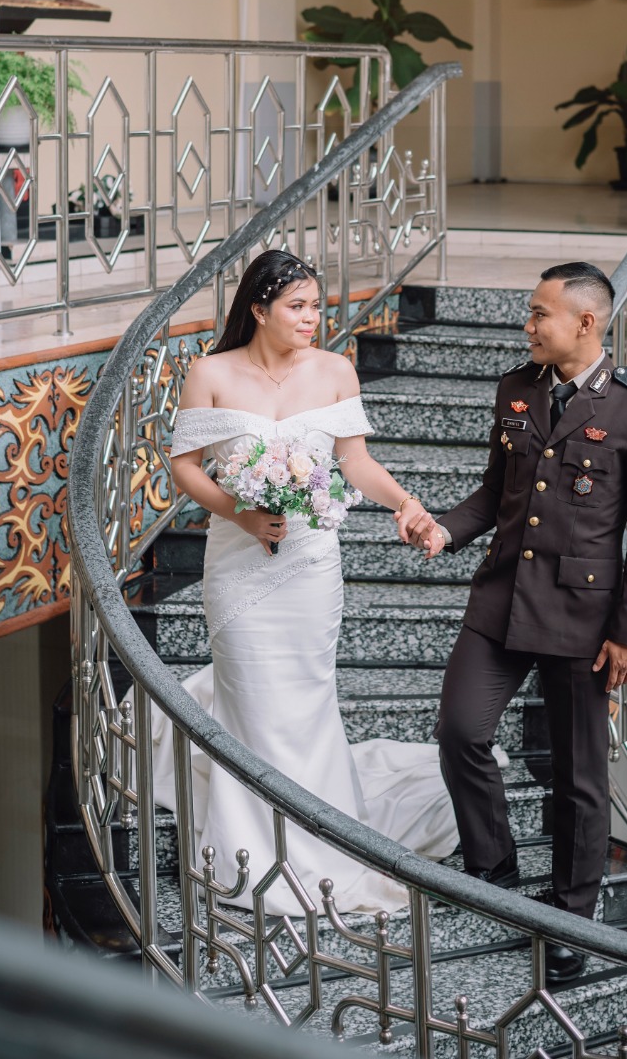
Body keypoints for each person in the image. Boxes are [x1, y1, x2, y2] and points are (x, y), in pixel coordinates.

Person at [155, 249, 464, 916]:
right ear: (259, 309)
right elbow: (185, 467)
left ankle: (323, 839)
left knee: (307, 697)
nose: (311, 318)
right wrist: (240, 511)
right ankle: (248, 850)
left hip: (310, 566)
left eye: (316, 306)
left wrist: (406, 503)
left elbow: (355, 463)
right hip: (238, 565)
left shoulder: (335, 371)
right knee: (250, 698)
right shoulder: (210, 373)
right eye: (296, 306)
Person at [401, 261, 627, 985]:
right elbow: (496, 494)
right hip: (501, 599)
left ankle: (569, 920)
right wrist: (444, 530)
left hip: (583, 617)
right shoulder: (517, 389)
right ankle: (493, 874)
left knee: (579, 778)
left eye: (539, 314)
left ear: (585, 322)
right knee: (460, 731)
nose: (527, 326)